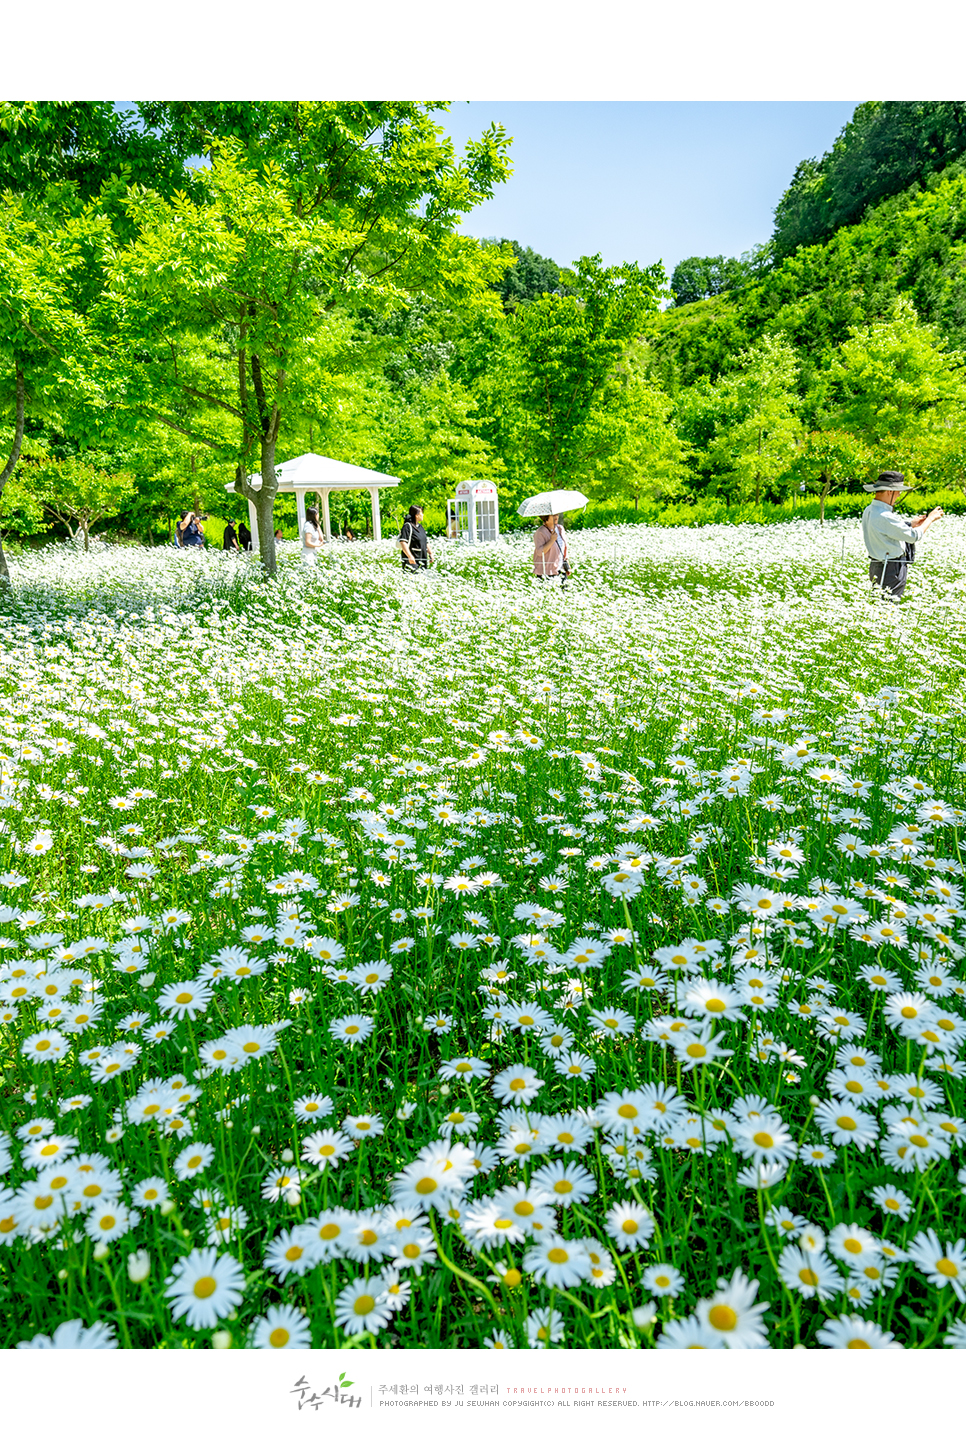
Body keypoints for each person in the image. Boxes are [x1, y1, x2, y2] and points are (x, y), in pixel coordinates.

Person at [861, 470, 943, 600]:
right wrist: (930, 519)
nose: (899, 495)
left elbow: (884, 530)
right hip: (891, 568)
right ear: (890, 492)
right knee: (889, 608)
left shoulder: (870, 510)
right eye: (898, 491)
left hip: (877, 565)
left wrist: (910, 523)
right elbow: (914, 536)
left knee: (879, 607)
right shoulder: (885, 515)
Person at [532, 512, 570, 585]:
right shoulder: (540, 532)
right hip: (546, 571)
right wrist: (552, 540)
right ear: (545, 517)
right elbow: (540, 552)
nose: (556, 517)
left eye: (557, 514)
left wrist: (566, 562)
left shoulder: (560, 528)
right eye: (553, 515)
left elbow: (563, 547)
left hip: (561, 569)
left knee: (564, 594)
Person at [400, 505, 433, 571]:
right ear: (416, 515)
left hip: (422, 560)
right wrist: (410, 556)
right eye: (421, 513)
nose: (423, 515)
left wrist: (430, 553)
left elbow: (425, 541)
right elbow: (403, 542)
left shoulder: (420, 527)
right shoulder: (407, 526)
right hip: (412, 561)